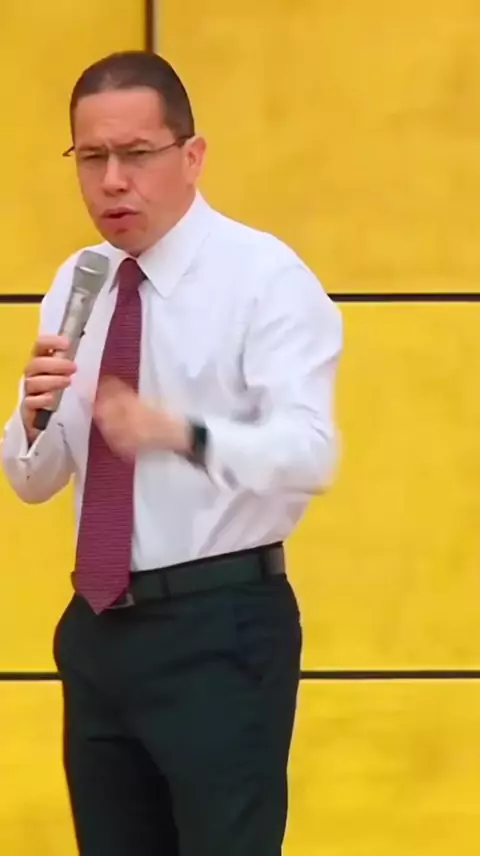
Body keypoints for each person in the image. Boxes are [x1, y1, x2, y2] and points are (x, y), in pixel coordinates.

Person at [1, 51, 343, 856]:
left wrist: (182, 434)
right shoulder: (80, 279)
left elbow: (310, 453)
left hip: (219, 628)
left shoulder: (263, 278)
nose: (112, 181)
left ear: (192, 156)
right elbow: (33, 481)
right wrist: (33, 414)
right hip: (97, 633)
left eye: (136, 154)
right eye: (91, 158)